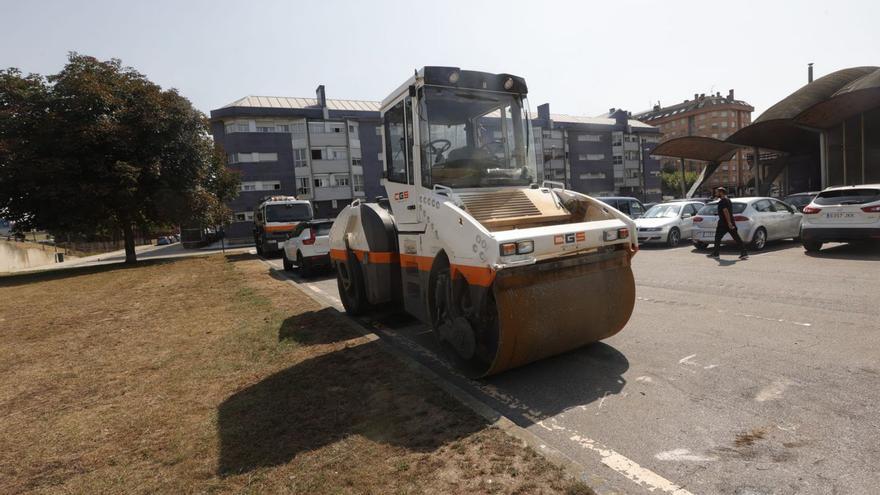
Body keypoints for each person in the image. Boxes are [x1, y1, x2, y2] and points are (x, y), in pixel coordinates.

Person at [708, 187, 748, 260]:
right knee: (736, 238)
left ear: (721, 193)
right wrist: (730, 222)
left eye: (717, 192)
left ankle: (716, 253)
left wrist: (729, 223)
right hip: (729, 222)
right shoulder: (728, 200)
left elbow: (726, 211)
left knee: (717, 238)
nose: (716, 193)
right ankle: (744, 253)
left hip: (724, 224)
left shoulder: (723, 201)